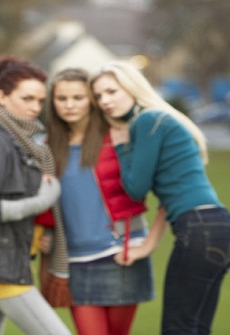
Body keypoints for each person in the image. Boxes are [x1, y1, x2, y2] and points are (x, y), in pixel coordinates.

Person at [90, 60, 230, 334]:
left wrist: (121, 145)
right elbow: (165, 201)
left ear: (132, 87)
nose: (104, 101)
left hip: (199, 230)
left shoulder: (146, 121)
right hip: (220, 228)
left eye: (111, 91)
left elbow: (136, 189)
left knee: (178, 328)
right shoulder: (161, 118)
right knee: (195, 328)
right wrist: (148, 245)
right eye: (99, 96)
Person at [45, 68, 160, 335]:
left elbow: (160, 189)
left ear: (92, 100)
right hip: (74, 261)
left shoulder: (118, 137)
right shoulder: (47, 146)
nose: (70, 105)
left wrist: (150, 242)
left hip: (122, 255)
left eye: (78, 97)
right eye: (62, 98)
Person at [0, 55, 71, 335]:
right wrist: (39, 203)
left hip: (4, 261)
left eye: (39, 101)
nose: (35, 108)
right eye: (27, 99)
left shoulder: (19, 140)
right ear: (1, 96)